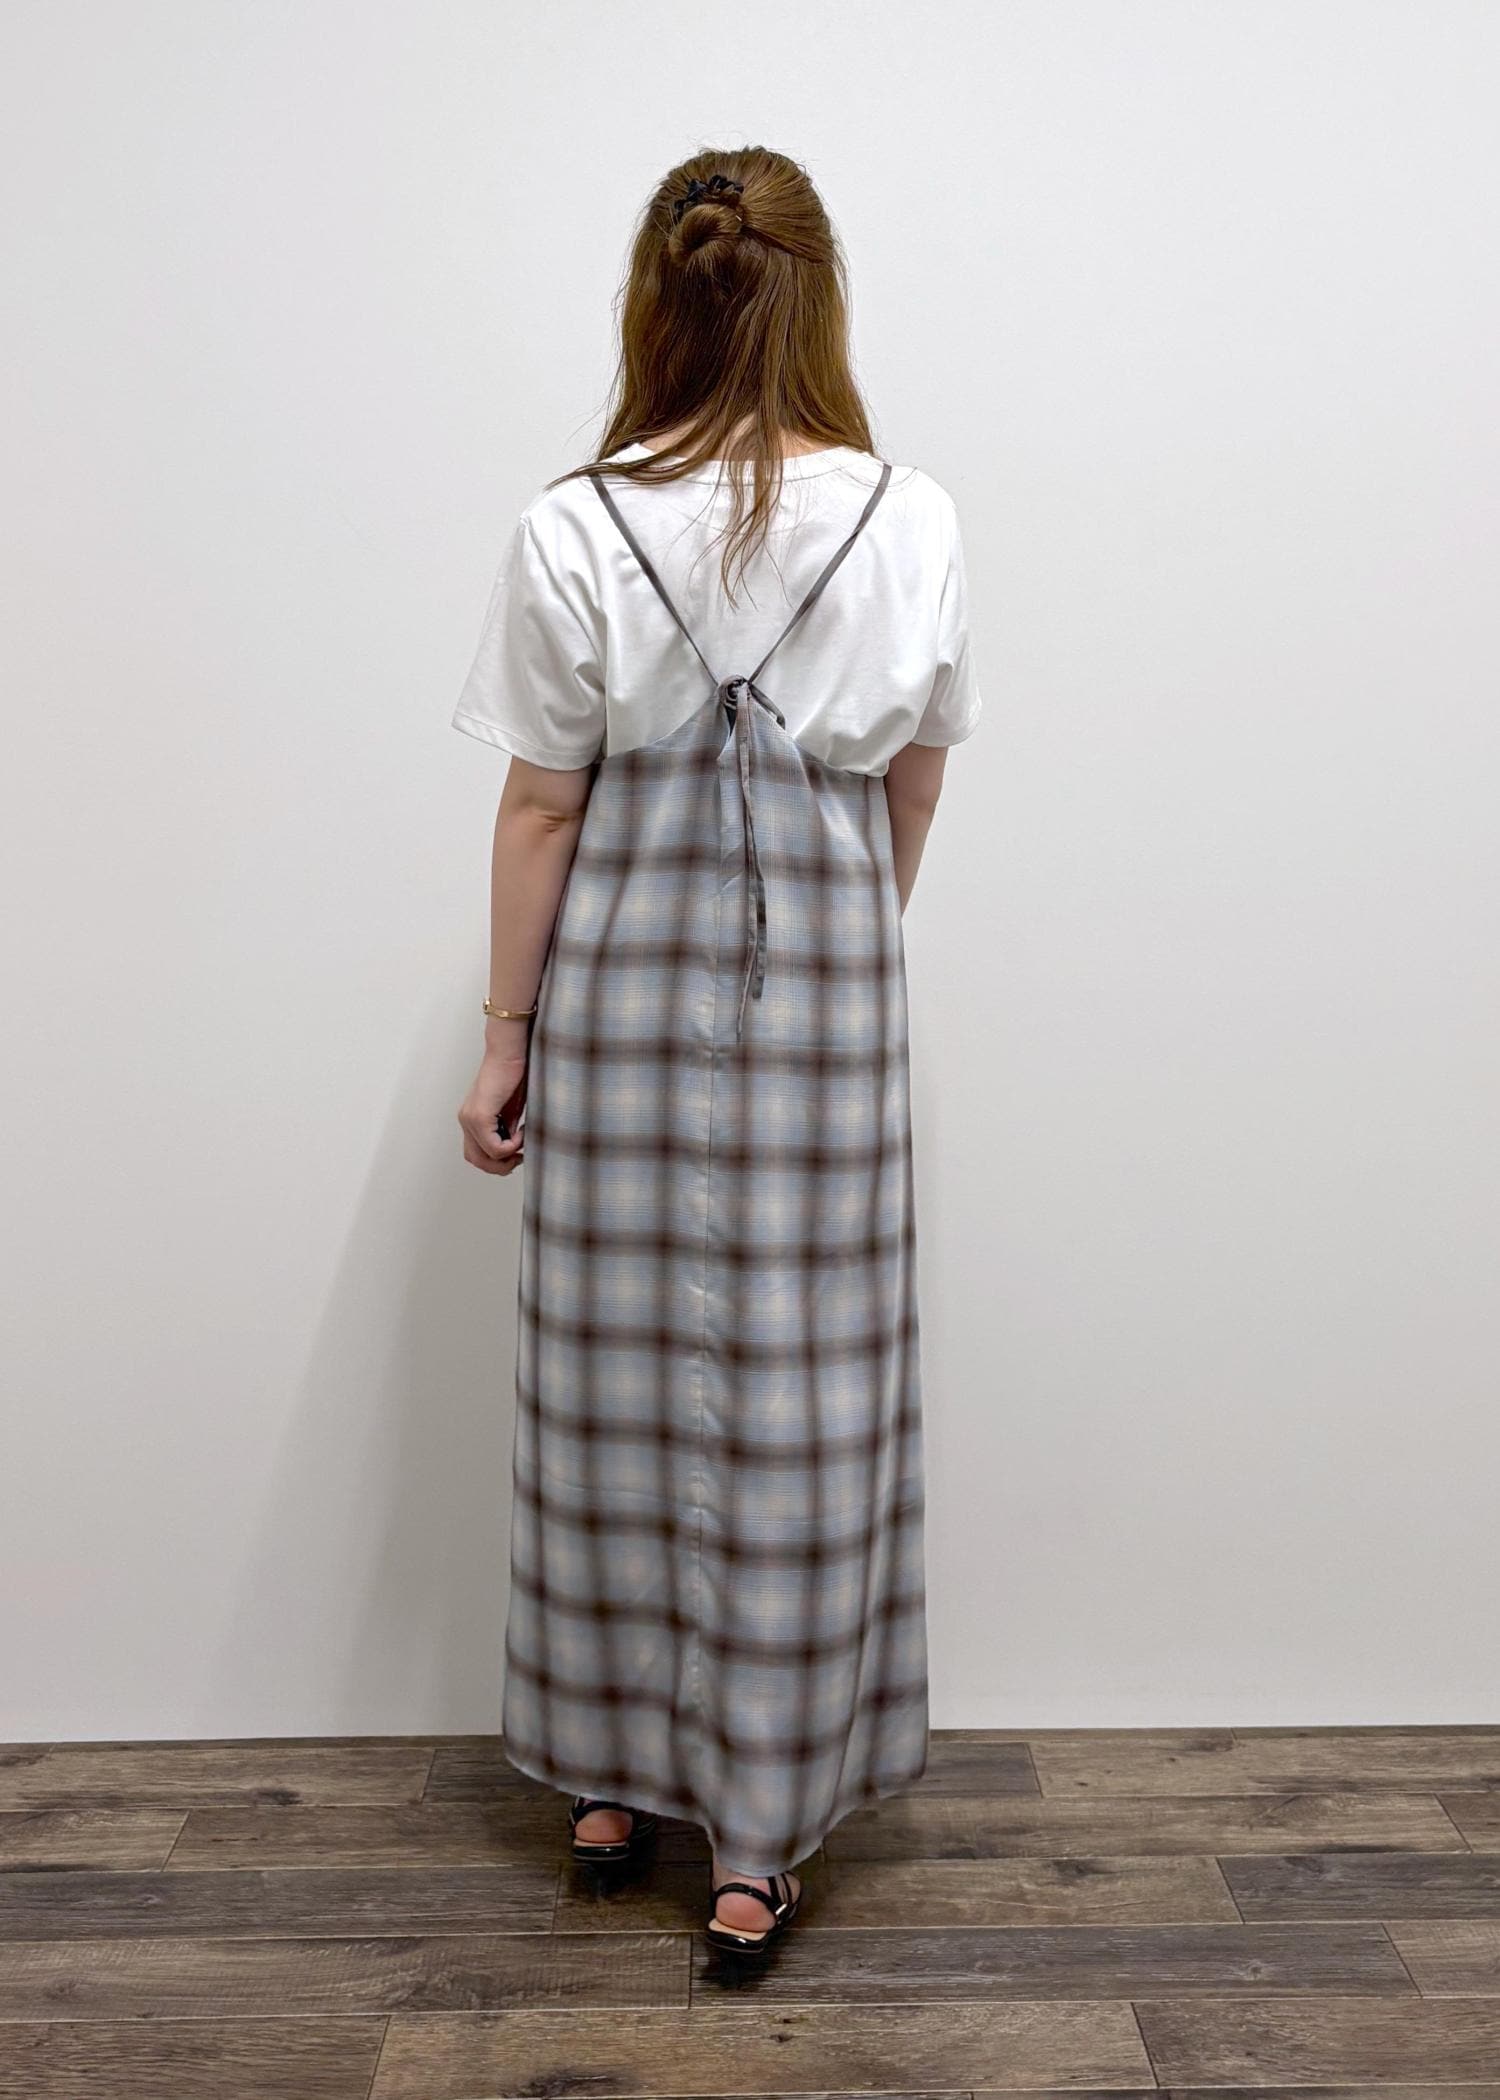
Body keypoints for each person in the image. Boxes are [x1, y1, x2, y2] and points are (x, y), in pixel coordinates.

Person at [452, 145, 982, 1959]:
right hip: (827, 1011)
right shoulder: (909, 518)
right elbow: (915, 786)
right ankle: (757, 1839)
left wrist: (507, 1038)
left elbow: (543, 808)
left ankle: (610, 1788)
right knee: (804, 1405)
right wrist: (836, 949)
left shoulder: (577, 524)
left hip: (614, 1005)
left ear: (656, 304)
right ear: (816, 302)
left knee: (606, 1385)